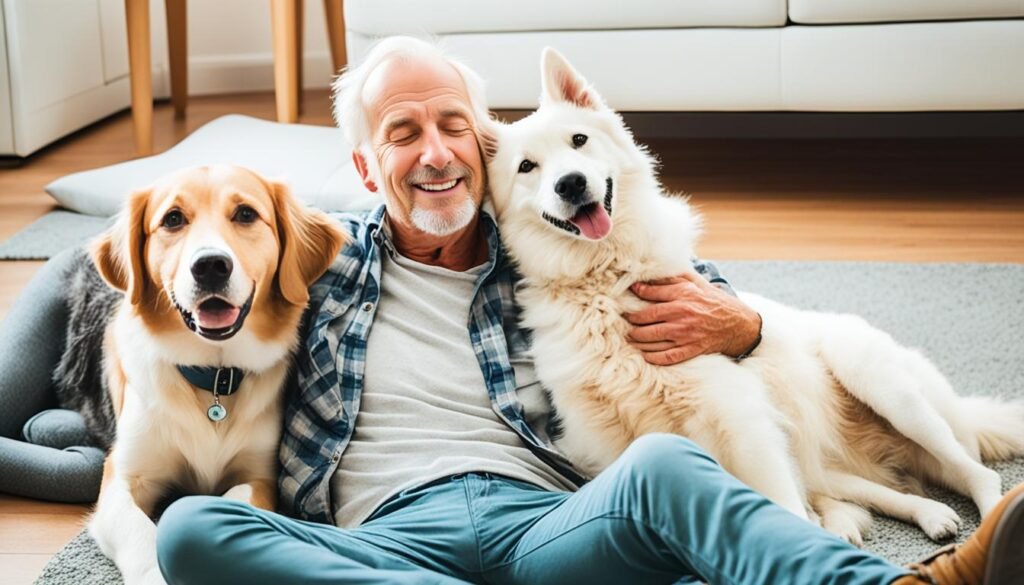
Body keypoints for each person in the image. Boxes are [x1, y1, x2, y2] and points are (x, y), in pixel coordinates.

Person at [149, 36, 1024, 585]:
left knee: (667, 466)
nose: (436, 151)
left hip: (549, 526)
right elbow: (185, 294)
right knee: (191, 530)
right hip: (384, 543)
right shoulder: (315, 264)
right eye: (403, 132)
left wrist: (744, 327)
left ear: (485, 144)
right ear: (369, 168)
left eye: (453, 124)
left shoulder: (548, 249)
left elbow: (685, 279)